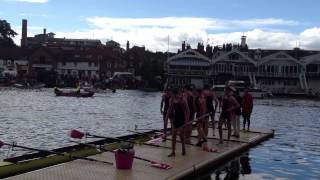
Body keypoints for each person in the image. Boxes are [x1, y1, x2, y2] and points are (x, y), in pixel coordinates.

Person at [165, 88, 189, 157]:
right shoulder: (171, 100)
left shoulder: (183, 100)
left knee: (181, 135)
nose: (171, 95)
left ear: (175, 94)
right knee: (174, 136)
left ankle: (183, 147)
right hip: (175, 119)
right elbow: (169, 109)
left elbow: (188, 111)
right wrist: (166, 117)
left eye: (172, 94)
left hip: (182, 119)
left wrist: (186, 121)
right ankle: (173, 152)